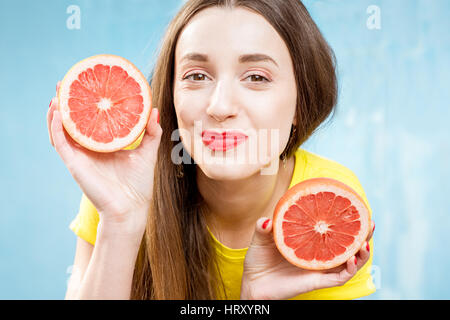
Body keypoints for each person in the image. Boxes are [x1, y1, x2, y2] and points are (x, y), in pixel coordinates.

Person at [47, 0, 375, 300]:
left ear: (300, 104)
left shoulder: (327, 204)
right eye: (197, 76)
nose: (220, 107)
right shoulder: (124, 184)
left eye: (257, 77)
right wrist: (120, 221)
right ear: (172, 96)